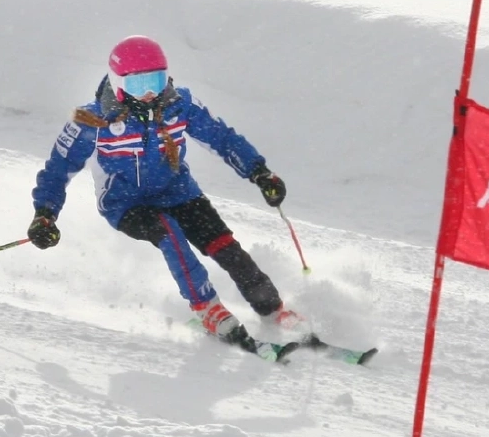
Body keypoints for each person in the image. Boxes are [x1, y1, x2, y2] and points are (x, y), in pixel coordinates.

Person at [27, 35, 300, 353]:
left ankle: (273, 310)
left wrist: (259, 172)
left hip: (178, 192)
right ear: (117, 83)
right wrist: (44, 214)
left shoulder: (179, 105)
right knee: (168, 234)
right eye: (138, 83)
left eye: (156, 81)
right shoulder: (92, 121)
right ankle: (207, 309)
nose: (148, 93)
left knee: (225, 246)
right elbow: (58, 169)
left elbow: (222, 138)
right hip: (125, 203)